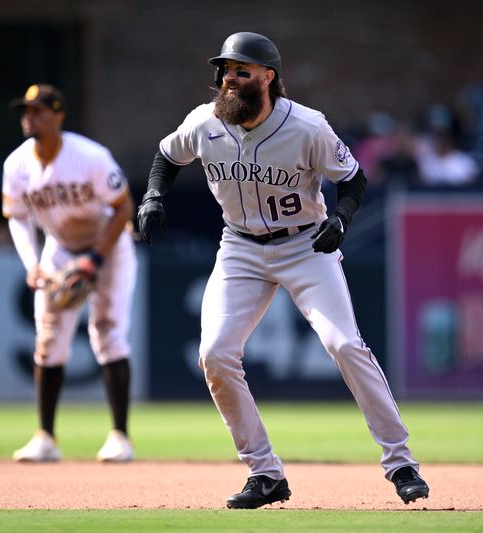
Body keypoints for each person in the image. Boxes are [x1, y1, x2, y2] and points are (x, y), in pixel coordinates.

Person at [137, 32, 428, 509]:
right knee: (214, 354)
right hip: (240, 247)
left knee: (344, 344)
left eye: (241, 70)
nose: (229, 79)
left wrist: (341, 218)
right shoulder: (204, 122)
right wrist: (152, 195)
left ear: (268, 77)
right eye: (226, 70)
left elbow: (352, 178)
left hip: (304, 244)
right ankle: (264, 473)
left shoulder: (307, 126)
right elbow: (167, 158)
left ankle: (400, 462)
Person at [2, 84, 137, 463]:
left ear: (58, 115)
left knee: (108, 332)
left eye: (39, 110)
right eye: (26, 110)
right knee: (48, 339)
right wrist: (32, 264)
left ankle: (120, 437)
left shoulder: (89, 156)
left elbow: (124, 209)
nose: (30, 116)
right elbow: (17, 219)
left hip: (108, 245)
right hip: (59, 247)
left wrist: (94, 259)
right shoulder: (16, 164)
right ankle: (45, 437)